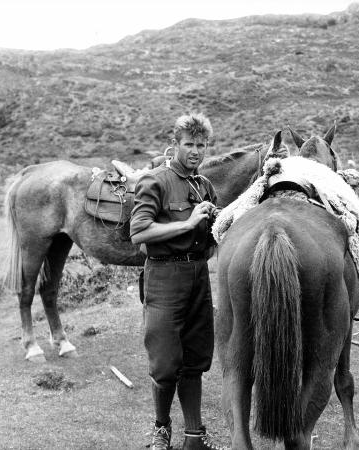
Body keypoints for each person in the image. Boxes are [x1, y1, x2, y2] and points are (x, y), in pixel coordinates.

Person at [130, 113, 222, 450]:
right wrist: (187, 224)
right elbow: (138, 231)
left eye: (201, 145)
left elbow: (212, 237)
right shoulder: (154, 181)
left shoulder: (204, 185)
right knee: (166, 362)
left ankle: (194, 437)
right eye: (189, 144)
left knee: (196, 359)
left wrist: (216, 225)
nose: (196, 151)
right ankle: (161, 428)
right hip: (164, 276)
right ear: (176, 143)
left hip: (198, 275)